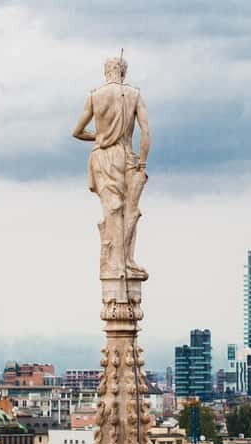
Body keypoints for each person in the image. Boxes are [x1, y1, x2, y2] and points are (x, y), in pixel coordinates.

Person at [72, 56, 151, 280]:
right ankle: (123, 260)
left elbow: (77, 132)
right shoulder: (134, 94)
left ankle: (120, 261)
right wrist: (142, 162)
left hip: (103, 156)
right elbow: (146, 132)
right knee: (129, 210)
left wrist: (100, 136)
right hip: (126, 155)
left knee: (113, 210)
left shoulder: (94, 96)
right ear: (123, 72)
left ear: (106, 72)